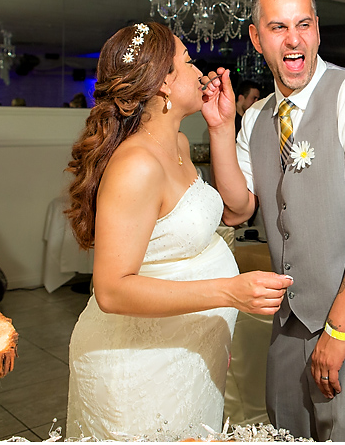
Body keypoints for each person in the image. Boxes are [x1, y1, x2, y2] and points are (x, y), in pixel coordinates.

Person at [200, 0, 345, 442]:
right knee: (285, 431)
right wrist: (221, 128)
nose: (293, 39)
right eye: (278, 27)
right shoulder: (256, 119)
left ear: (317, 29)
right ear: (258, 39)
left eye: (303, 24)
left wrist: (337, 332)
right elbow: (237, 210)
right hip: (291, 319)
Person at [63, 22, 292, 440]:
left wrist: (222, 127)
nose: (200, 71)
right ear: (164, 83)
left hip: (187, 351)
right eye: (188, 61)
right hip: (139, 367)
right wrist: (228, 291)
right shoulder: (137, 166)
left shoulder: (180, 146)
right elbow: (111, 290)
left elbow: (237, 211)